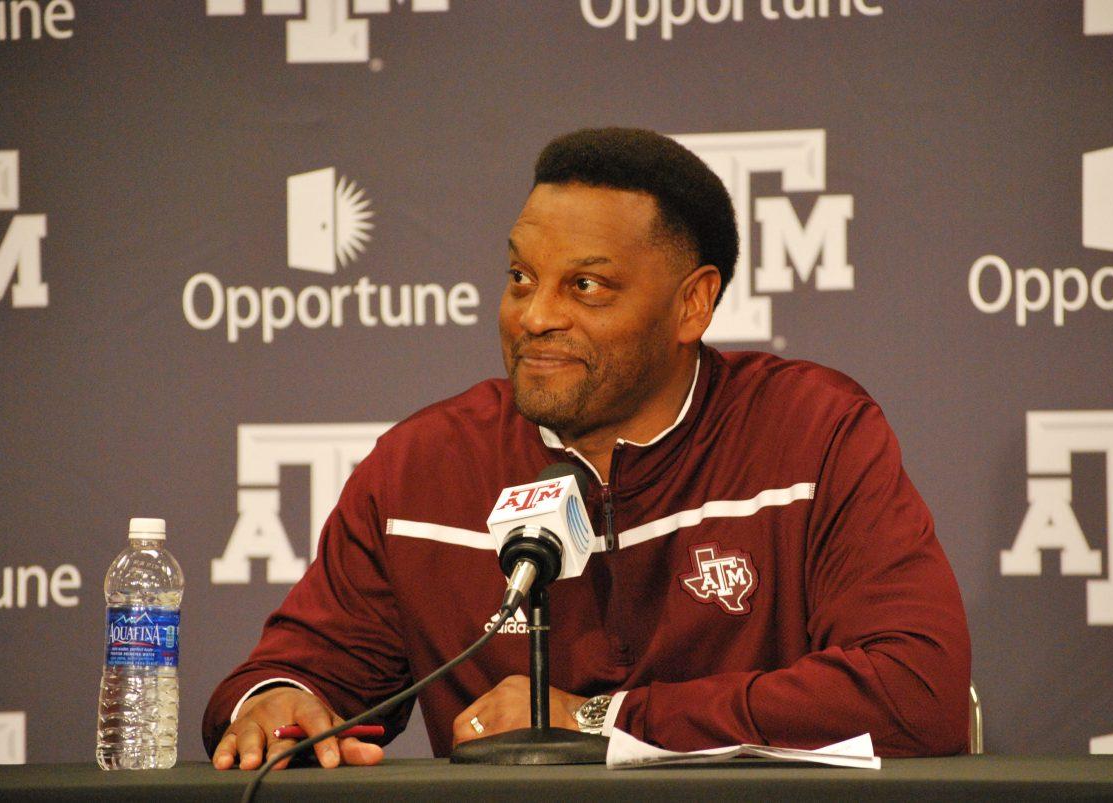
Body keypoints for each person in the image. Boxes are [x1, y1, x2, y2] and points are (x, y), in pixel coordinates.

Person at [203, 127, 971, 771]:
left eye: (587, 287)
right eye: (520, 277)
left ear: (692, 304)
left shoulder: (812, 433)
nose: (534, 316)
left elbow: (917, 691)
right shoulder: (419, 472)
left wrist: (608, 719)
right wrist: (275, 702)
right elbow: (295, 675)